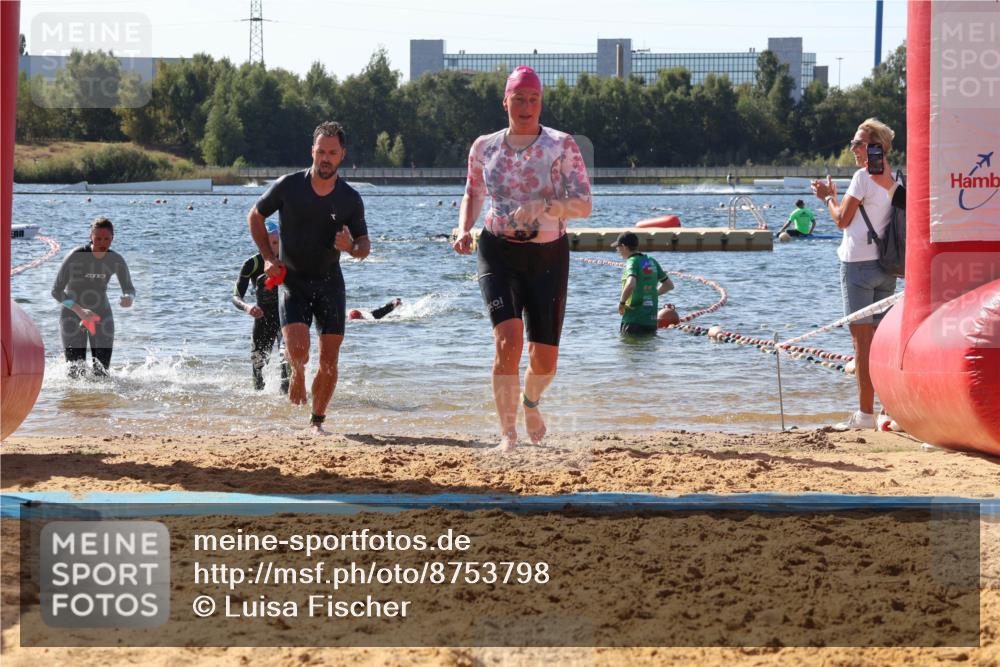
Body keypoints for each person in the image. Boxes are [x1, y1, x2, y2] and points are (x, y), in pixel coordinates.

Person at [453, 65, 592, 453]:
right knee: (507, 340)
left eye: (533, 99)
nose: (526, 106)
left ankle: (531, 402)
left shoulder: (561, 145)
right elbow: (473, 192)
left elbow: (583, 205)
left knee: (544, 361)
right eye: (519, 99)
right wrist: (464, 227)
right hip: (497, 250)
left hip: (548, 255)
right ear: (506, 102)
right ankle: (507, 434)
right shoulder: (485, 146)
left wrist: (543, 206)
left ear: (541, 102)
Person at [247, 121, 371, 435]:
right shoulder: (289, 186)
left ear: (342, 155)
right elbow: (255, 216)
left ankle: (317, 422)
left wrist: (351, 247)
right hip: (293, 281)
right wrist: (268, 258)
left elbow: (364, 245)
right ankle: (298, 374)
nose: (325, 158)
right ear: (312, 151)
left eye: (332, 152)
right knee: (298, 350)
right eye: (320, 152)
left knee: (329, 360)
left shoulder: (350, 199)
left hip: (330, 282)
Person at [811, 117, 898, 431]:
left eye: (858, 143)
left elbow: (842, 220)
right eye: (853, 143)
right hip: (886, 268)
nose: (853, 148)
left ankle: (864, 416)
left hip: (858, 266)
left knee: (862, 346)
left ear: (875, 146)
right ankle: (889, 411)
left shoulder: (862, 178)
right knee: (882, 343)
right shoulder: (897, 178)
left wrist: (827, 197)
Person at [51, 217, 134, 377]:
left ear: (113, 238)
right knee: (75, 374)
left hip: (102, 314)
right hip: (72, 315)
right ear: (91, 237)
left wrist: (128, 297)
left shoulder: (115, 260)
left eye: (107, 239)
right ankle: (79, 402)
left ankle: (100, 402)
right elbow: (56, 290)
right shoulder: (76, 256)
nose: (102, 243)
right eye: (98, 239)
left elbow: (129, 289)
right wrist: (80, 311)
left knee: (102, 373)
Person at [232, 220, 289, 393]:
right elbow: (235, 296)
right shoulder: (252, 264)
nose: (272, 248)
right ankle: (259, 413)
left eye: (275, 242)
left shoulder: (289, 261)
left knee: (286, 362)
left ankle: (287, 405)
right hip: (263, 319)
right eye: (267, 243)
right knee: (258, 369)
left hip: (287, 318)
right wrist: (248, 308)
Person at [612, 232, 673, 337]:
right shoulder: (651, 261)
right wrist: (651, 294)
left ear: (624, 246)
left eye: (618, 248)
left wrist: (621, 303)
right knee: (647, 351)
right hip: (651, 321)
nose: (618, 251)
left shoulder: (631, 262)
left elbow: (631, 284)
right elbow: (669, 285)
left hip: (633, 320)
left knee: (629, 351)